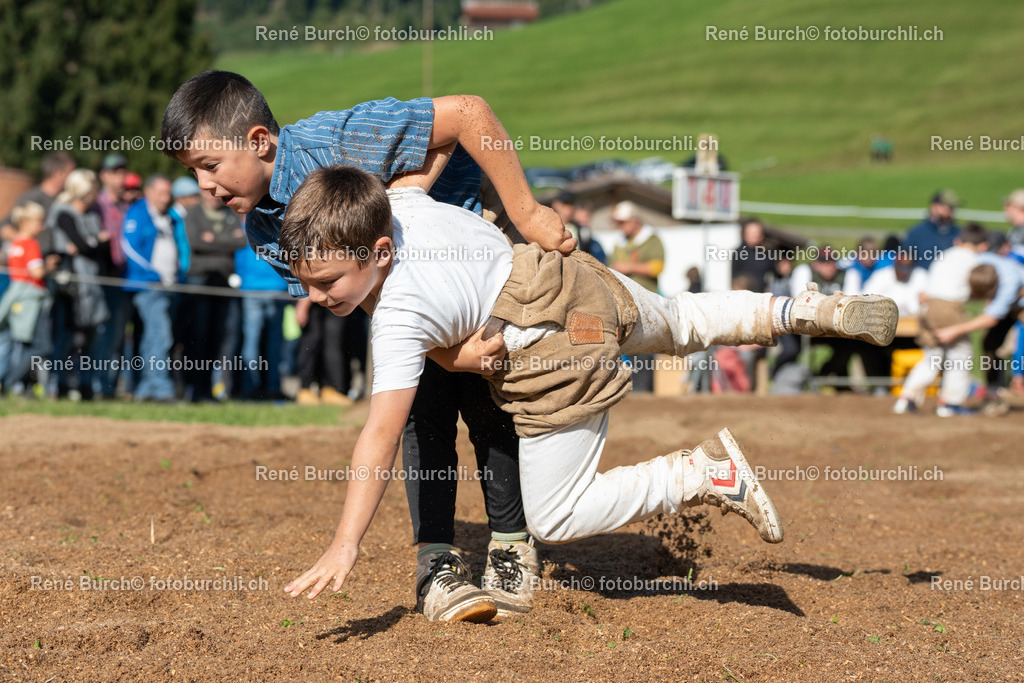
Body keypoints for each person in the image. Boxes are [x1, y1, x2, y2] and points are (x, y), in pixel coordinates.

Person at [277, 166, 899, 613]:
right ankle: (796, 310)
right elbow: (450, 131)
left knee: (556, 514)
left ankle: (702, 474)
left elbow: (380, 437)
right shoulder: (400, 202)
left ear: (379, 252)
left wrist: (344, 544)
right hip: (572, 279)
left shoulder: (396, 319)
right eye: (306, 283)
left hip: (551, 349)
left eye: (328, 282)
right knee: (683, 321)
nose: (316, 297)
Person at [160, 70, 574, 621]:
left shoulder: (340, 140)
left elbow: (470, 113)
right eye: (193, 174)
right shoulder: (262, 229)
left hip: (473, 265)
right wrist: (447, 355)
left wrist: (527, 212)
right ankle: (437, 565)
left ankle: (510, 546)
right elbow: (364, 302)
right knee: (421, 413)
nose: (204, 187)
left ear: (259, 142)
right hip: (404, 301)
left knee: (487, 405)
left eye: (210, 167)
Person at [894, 223, 992, 416]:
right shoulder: (974, 260)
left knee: (933, 356)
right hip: (950, 307)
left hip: (929, 307)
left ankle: (907, 397)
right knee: (961, 354)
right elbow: (976, 288)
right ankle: (950, 402)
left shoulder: (945, 254)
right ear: (982, 245)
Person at [121, 175, 188, 402]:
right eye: (161, 193)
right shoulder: (138, 212)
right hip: (148, 286)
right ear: (148, 192)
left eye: (168, 193)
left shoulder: (168, 218)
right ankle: (160, 386)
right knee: (160, 335)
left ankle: (145, 388)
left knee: (153, 338)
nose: (165, 198)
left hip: (169, 287)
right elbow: (128, 246)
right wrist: (153, 273)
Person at [932, 230, 1024, 393]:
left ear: (997, 283)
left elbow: (991, 318)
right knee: (990, 343)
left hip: (1019, 300)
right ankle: (995, 390)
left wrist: (954, 330)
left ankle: (1013, 382)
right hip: (1010, 300)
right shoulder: (977, 260)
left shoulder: (1008, 283)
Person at [48, 169, 111, 400]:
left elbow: (100, 249)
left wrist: (90, 244)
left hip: (91, 285)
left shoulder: (92, 216)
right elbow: (87, 246)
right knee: (67, 336)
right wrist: (93, 242)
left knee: (89, 336)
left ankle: (85, 384)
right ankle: (59, 383)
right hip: (70, 286)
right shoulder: (63, 213)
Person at [181, 189, 248, 401]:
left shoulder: (230, 214)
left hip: (224, 284)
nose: (212, 196)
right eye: (207, 192)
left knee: (219, 337)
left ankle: (210, 389)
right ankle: (193, 388)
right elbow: (196, 243)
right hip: (199, 282)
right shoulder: (192, 214)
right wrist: (225, 241)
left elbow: (241, 241)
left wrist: (212, 239)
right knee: (197, 337)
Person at [0, 203, 57, 393]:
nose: (42, 227)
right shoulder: (30, 244)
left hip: (16, 299)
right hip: (31, 300)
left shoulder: (14, 244)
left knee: (22, 345)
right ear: (25, 222)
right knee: (42, 347)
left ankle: (19, 386)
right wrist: (50, 266)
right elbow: (37, 272)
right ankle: (8, 382)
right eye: (38, 222)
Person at [609, 200, 664, 392]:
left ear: (634, 221)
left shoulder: (651, 240)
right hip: (624, 303)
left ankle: (644, 391)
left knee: (644, 348)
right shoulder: (619, 242)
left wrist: (629, 267)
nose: (620, 227)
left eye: (623, 222)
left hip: (646, 302)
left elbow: (658, 267)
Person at [92, 153, 131, 398]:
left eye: (121, 172)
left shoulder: (129, 205)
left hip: (123, 278)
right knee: (98, 334)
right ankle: (93, 384)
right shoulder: (96, 205)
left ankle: (108, 386)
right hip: (99, 278)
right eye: (113, 172)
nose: (118, 177)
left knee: (116, 336)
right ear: (103, 176)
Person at [233, 245, 288, 400]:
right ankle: (272, 387)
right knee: (273, 343)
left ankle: (251, 387)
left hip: (253, 288)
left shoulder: (246, 228)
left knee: (252, 341)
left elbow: (240, 259)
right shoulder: (279, 226)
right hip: (275, 287)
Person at [903, 190, 960, 269]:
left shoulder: (959, 233)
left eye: (953, 208)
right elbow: (903, 262)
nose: (952, 212)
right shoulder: (916, 233)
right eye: (949, 208)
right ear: (934, 207)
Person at [551, 191, 605, 263]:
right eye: (565, 204)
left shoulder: (581, 229)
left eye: (572, 204)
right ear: (556, 205)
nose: (569, 208)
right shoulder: (551, 228)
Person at [730, 218, 775, 293]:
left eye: (757, 233)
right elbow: (734, 279)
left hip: (762, 295)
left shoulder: (766, 253)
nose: (755, 235)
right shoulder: (739, 253)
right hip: (745, 295)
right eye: (752, 233)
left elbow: (773, 273)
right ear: (745, 234)